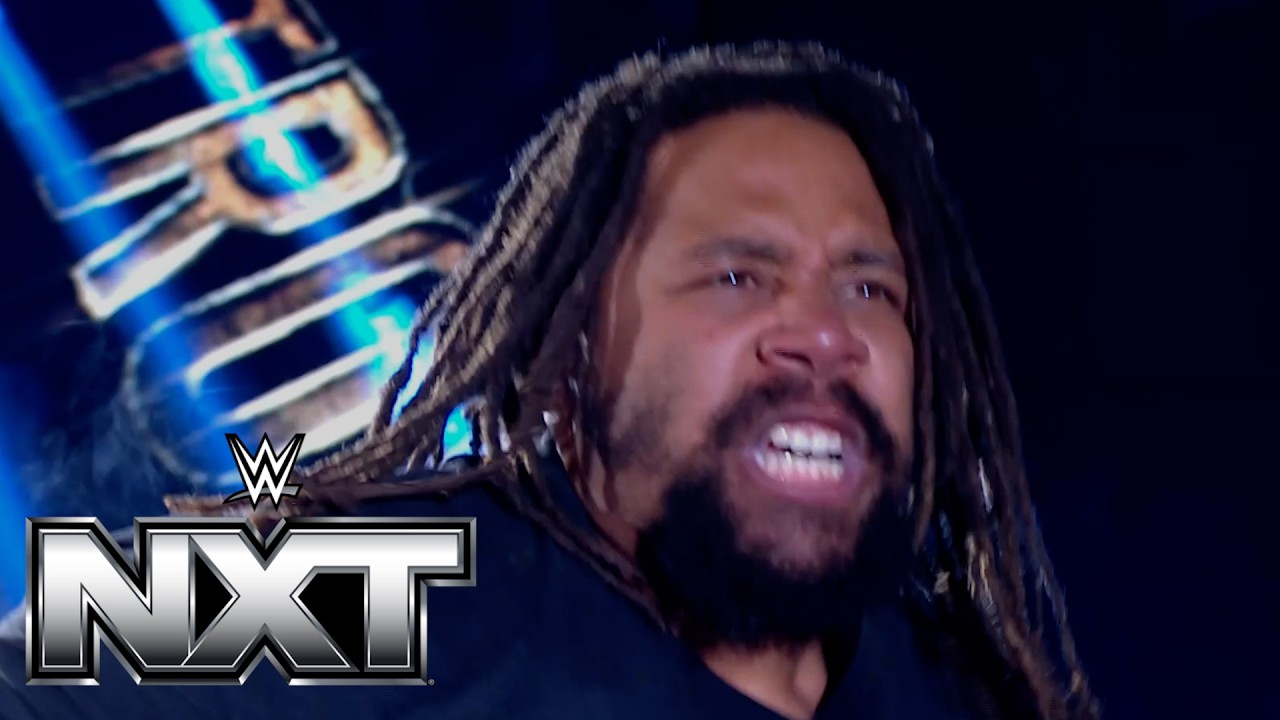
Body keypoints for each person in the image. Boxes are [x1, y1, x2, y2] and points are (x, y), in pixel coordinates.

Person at [0, 42, 1098, 720]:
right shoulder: (389, 586)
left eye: (869, 289)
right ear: (573, 348)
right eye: (736, 275)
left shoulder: (958, 686)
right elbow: (46, 647)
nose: (822, 334)